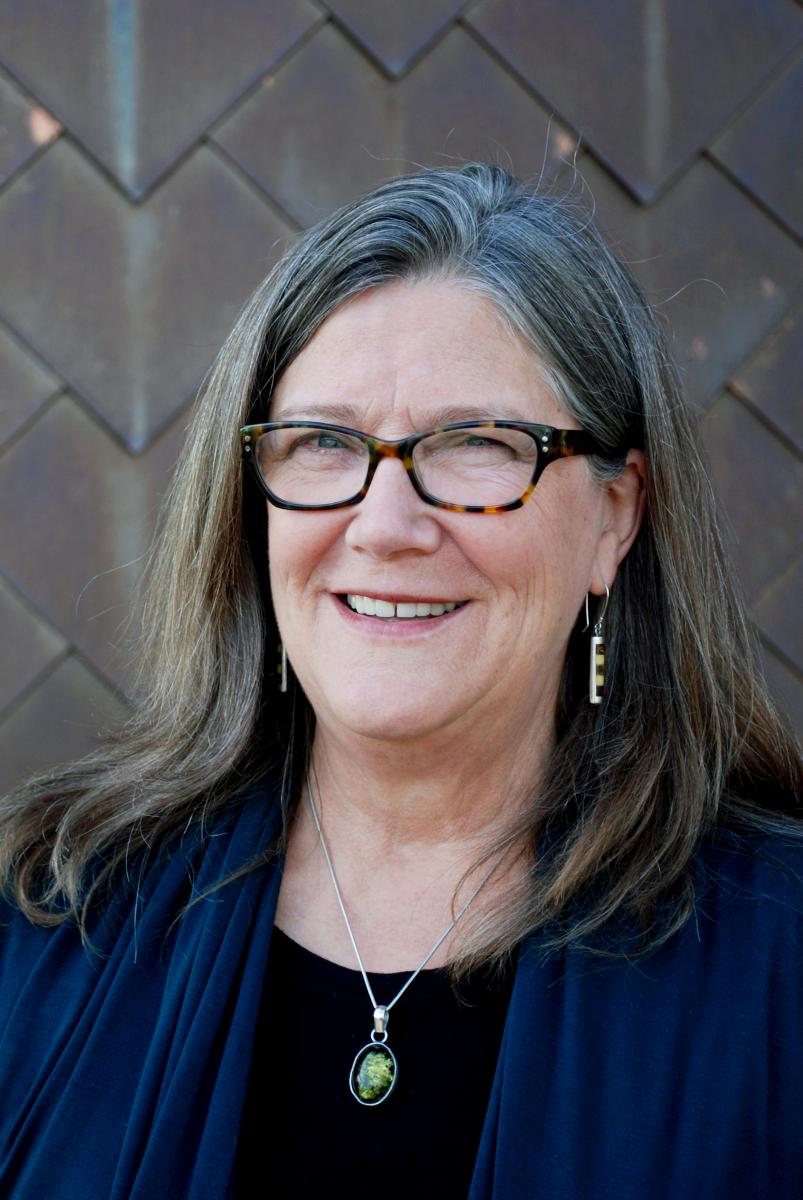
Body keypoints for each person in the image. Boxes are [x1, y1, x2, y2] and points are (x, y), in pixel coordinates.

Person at [0, 163, 801, 1200]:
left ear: (614, 517)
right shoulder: (51, 930)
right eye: (324, 444)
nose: (382, 526)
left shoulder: (778, 962)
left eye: (474, 445)